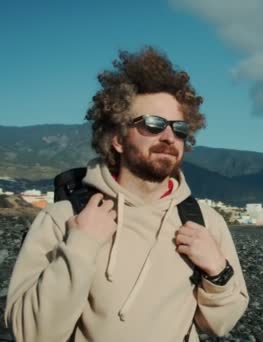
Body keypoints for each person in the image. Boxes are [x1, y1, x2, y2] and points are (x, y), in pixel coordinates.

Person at [4, 46, 249, 341]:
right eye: (152, 124)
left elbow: (220, 324)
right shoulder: (64, 217)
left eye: (179, 128)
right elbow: (30, 332)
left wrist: (218, 272)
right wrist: (80, 246)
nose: (169, 136)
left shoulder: (205, 223)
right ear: (118, 139)